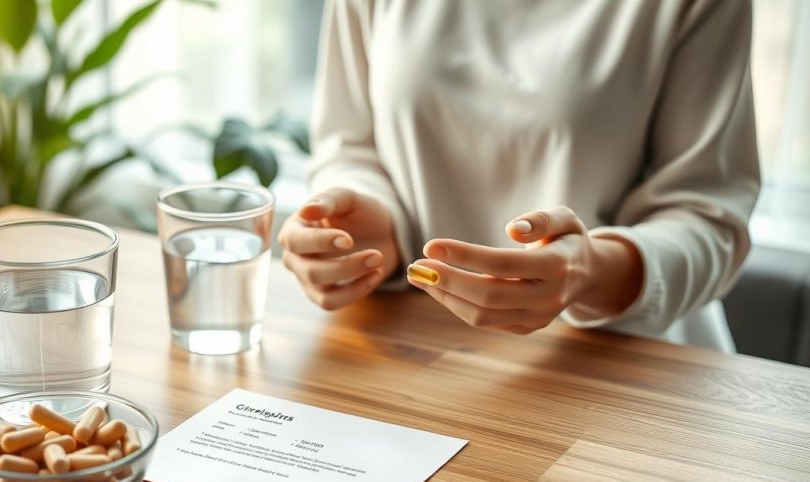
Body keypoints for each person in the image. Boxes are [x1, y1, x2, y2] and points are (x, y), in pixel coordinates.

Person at [278, 0, 760, 350]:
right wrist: (368, 228)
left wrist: (590, 273)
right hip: (412, 348)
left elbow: (708, 216)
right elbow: (349, 144)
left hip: (624, 368)